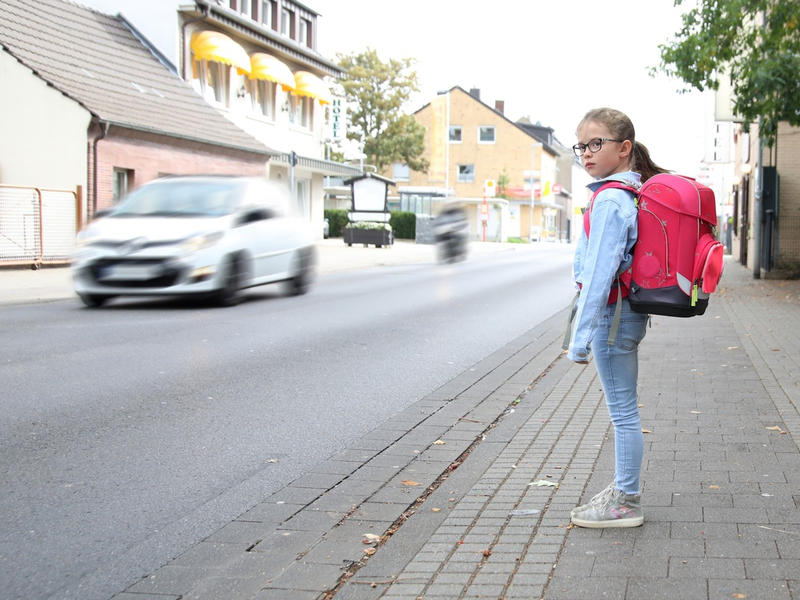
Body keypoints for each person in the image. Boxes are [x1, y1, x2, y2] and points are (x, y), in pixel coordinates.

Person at [567, 107, 669, 528]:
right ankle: (622, 492)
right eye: (581, 146)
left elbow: (597, 276)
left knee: (623, 412)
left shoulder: (610, 198)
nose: (586, 153)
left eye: (596, 144)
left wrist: (579, 337)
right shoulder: (626, 192)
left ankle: (625, 501)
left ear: (624, 148)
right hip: (624, 316)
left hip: (612, 318)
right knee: (624, 409)